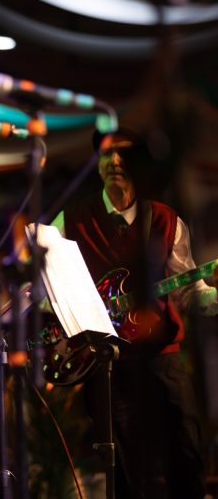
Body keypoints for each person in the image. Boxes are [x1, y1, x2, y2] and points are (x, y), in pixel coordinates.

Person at [50, 126, 218, 498]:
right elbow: (45, 283)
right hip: (107, 363)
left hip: (163, 360)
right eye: (107, 154)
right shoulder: (70, 221)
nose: (115, 162)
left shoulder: (166, 220)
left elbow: (191, 291)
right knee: (125, 471)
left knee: (187, 455)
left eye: (125, 154)